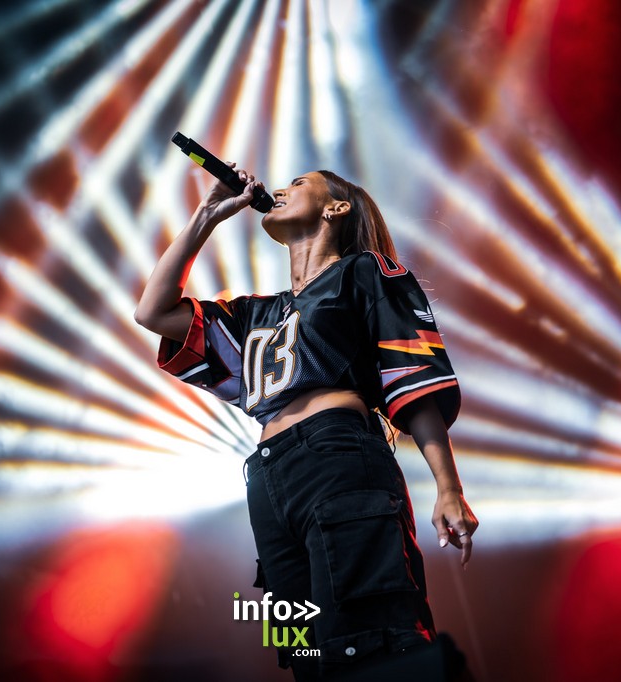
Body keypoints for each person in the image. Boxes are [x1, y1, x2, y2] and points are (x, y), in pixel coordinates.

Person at [134, 164, 478, 680]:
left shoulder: (365, 272)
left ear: (336, 208)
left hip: (337, 455)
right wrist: (208, 213)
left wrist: (448, 488)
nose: (280, 189)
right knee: (306, 654)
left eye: (298, 183)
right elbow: (152, 311)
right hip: (267, 480)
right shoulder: (257, 314)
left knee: (370, 640)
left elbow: (415, 381)